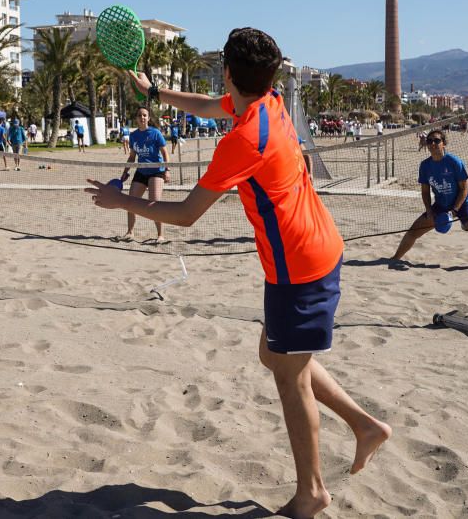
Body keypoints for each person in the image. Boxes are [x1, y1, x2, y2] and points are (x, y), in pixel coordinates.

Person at [87, 28, 390, 517]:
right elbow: (209, 106)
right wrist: (153, 91)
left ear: (228, 72)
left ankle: (311, 493)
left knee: (289, 377)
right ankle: (365, 426)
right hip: (308, 251)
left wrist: (119, 199)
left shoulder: (244, 138)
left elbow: (186, 214)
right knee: (275, 356)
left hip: (301, 266)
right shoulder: (267, 103)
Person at [390, 129, 468, 272]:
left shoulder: (454, 162)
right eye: (429, 141)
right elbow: (425, 192)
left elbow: (464, 189)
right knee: (413, 232)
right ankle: (394, 259)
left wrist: (455, 210)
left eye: (437, 140)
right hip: (442, 204)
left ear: (443, 144)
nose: (432, 143)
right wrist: (429, 210)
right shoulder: (425, 165)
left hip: (464, 203)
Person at [116, 106, 170, 244]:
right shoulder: (133, 136)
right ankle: (130, 232)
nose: (142, 117)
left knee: (154, 204)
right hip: (141, 171)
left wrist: (167, 170)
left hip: (156, 171)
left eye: (145, 115)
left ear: (148, 118)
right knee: (130, 202)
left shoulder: (155, 133)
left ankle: (160, 235)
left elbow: (165, 154)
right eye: (140, 115)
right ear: (136, 118)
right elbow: (132, 156)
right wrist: (125, 172)